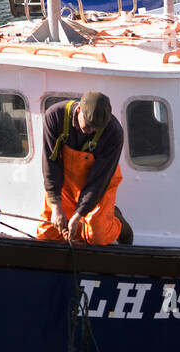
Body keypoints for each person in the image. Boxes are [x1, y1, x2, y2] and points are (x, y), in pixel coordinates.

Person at [37, 92, 132, 245]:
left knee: (97, 235)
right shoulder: (54, 116)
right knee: (49, 233)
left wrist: (78, 215)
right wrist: (56, 206)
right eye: (88, 125)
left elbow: (99, 180)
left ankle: (117, 221)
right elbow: (50, 163)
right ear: (79, 109)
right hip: (66, 182)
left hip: (100, 183)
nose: (91, 131)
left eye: (96, 128)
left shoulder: (114, 133)